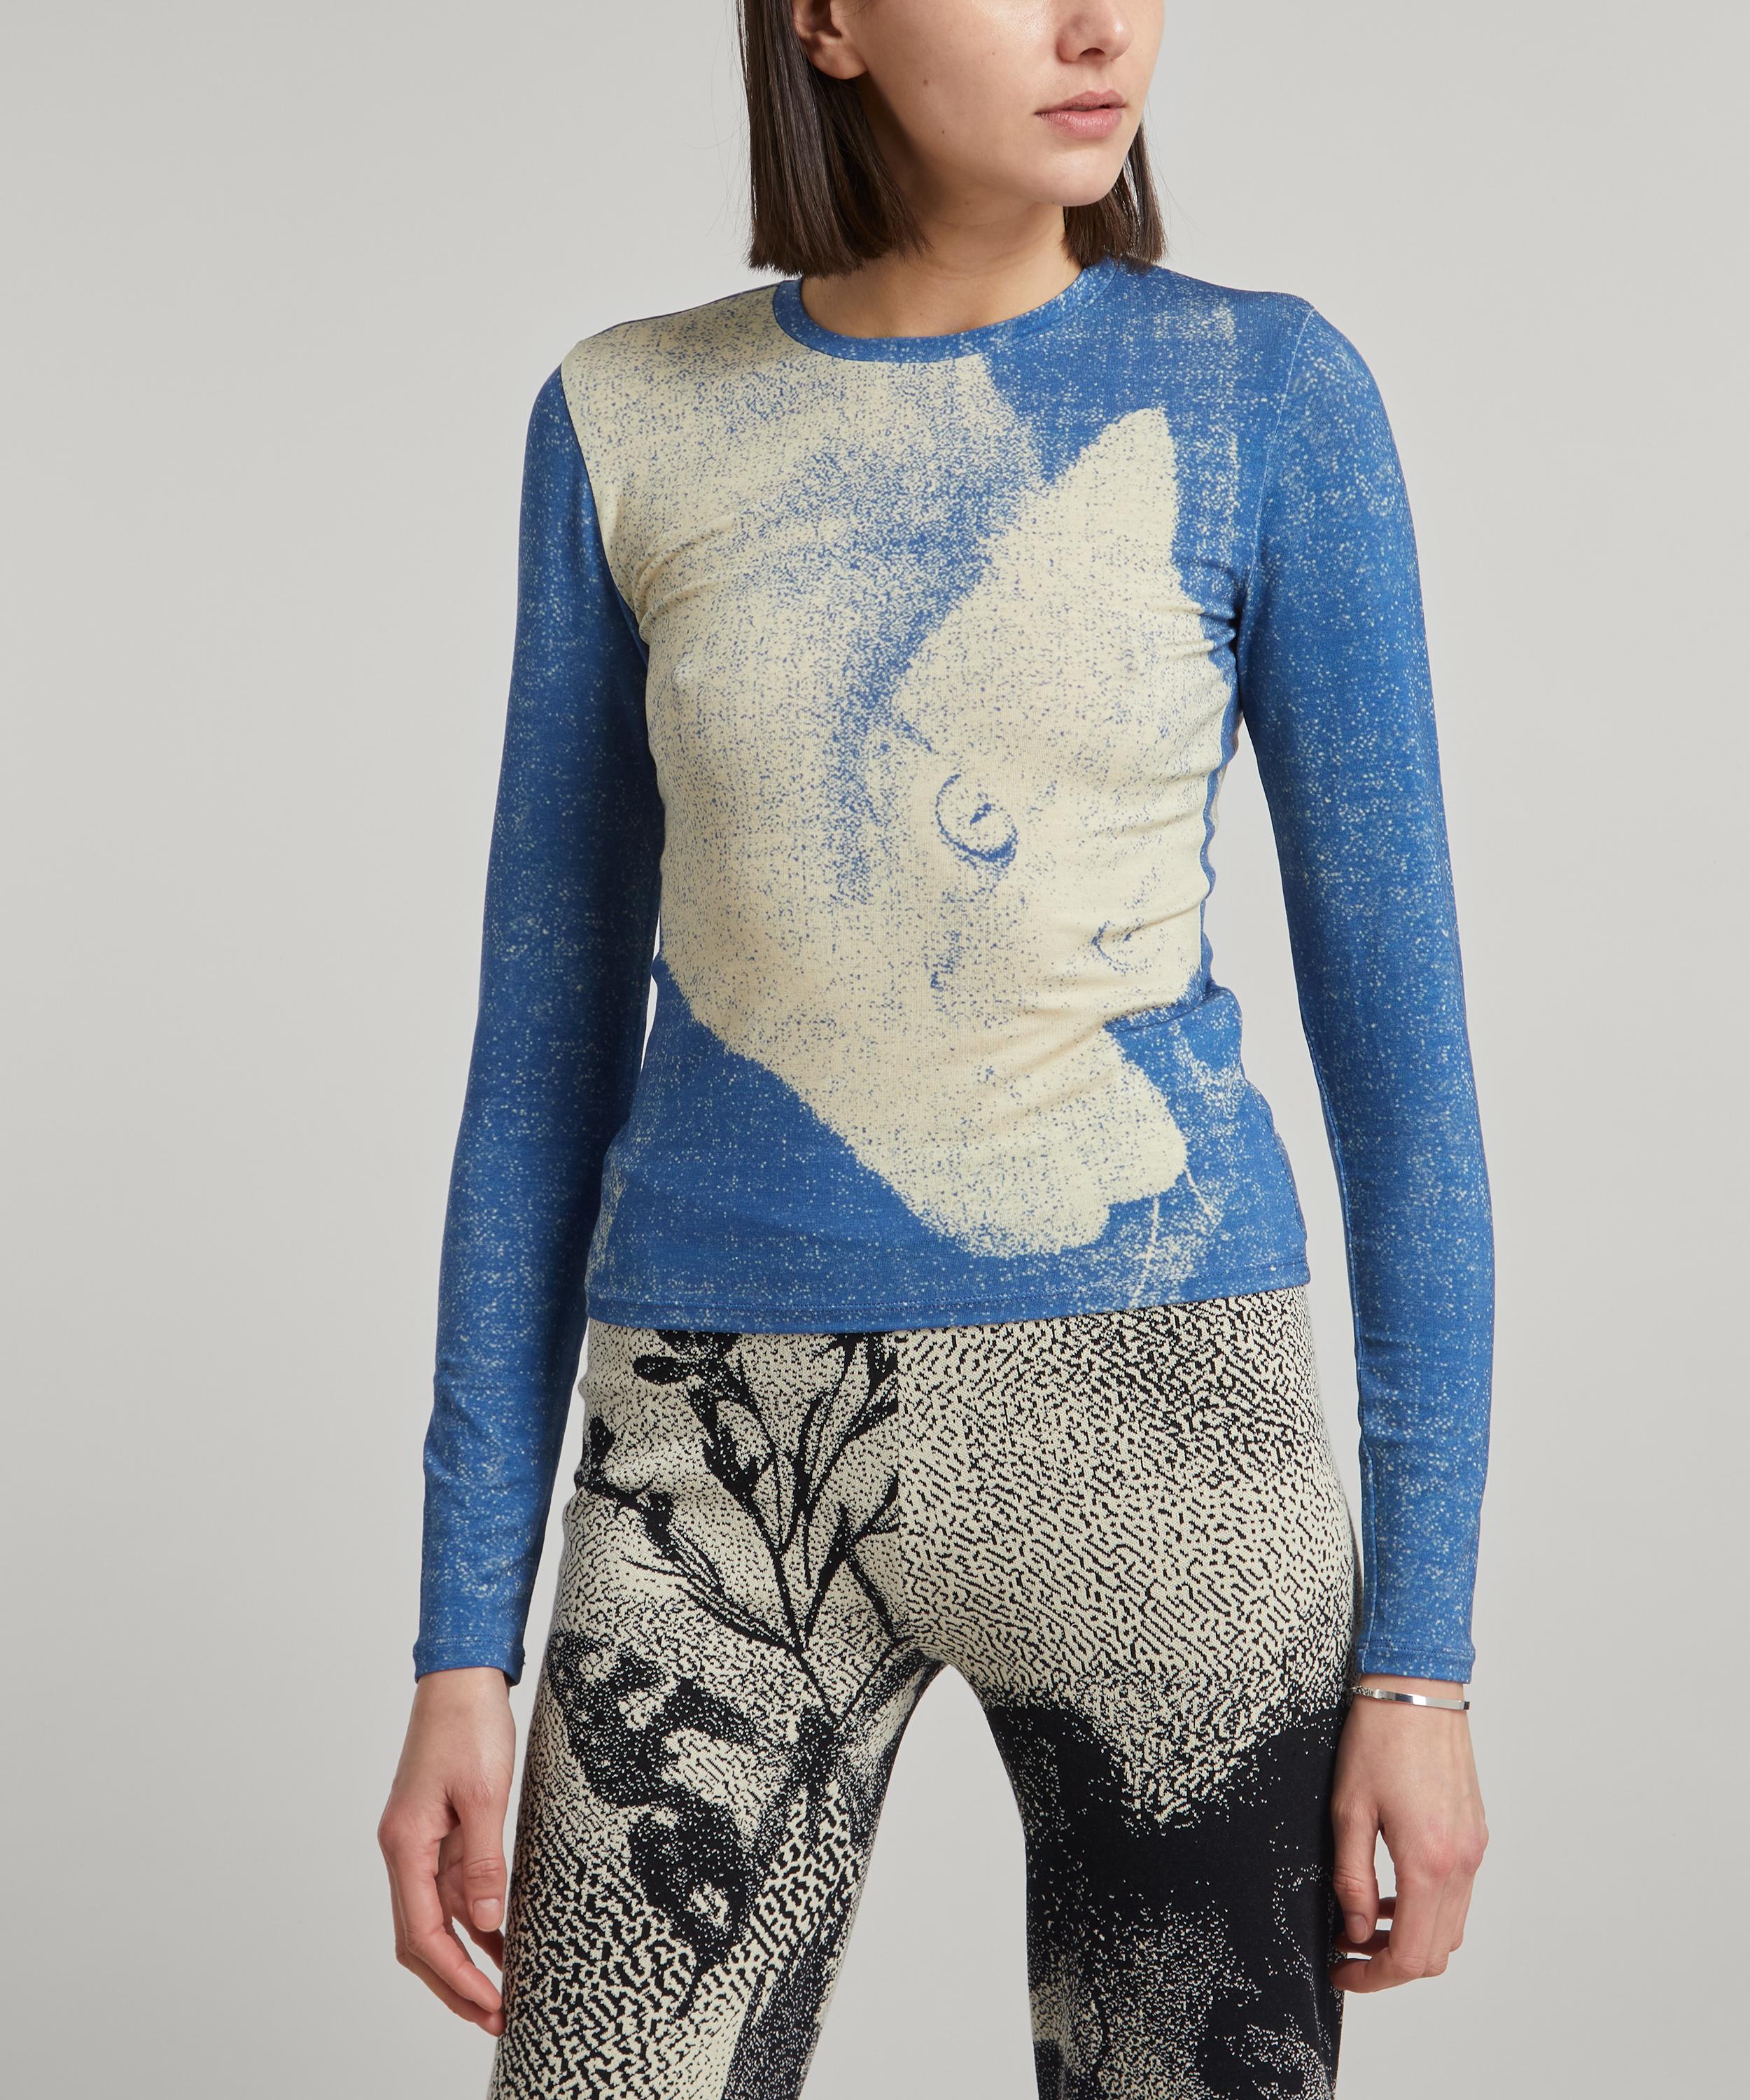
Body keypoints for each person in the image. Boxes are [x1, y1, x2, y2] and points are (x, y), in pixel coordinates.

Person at [377, 2, 1494, 2092]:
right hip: (707, 1462)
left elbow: (1408, 1090)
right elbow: (537, 1073)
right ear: (826, 19)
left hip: (1170, 1451)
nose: (1099, 24)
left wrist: (1419, 1671)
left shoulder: (1265, 393)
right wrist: (463, 1642)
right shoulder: (628, 415)